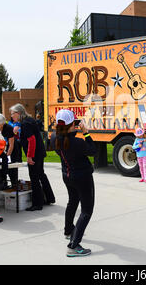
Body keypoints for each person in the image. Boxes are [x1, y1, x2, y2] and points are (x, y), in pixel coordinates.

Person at [50, 109, 96, 257]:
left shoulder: (55, 137)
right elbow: (93, 150)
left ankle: (69, 230)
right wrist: (86, 132)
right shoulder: (77, 142)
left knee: (73, 201)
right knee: (86, 211)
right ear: (71, 125)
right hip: (82, 177)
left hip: (67, 175)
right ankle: (73, 245)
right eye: (75, 123)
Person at [10, 103, 55, 211]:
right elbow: (26, 139)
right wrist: (16, 133)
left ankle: (37, 203)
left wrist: (29, 156)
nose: (11, 116)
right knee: (41, 175)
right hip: (39, 152)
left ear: (18, 113)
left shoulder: (26, 123)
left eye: (12, 114)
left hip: (35, 154)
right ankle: (49, 198)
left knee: (34, 177)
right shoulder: (28, 121)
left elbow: (31, 140)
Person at [0, 113, 19, 189]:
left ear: (1, 124)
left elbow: (11, 144)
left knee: (12, 168)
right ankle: (3, 183)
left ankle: (14, 184)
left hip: (11, 148)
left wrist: (7, 155)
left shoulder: (8, 128)